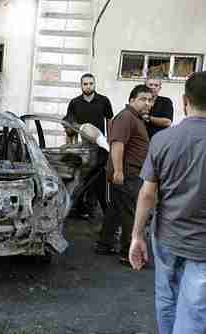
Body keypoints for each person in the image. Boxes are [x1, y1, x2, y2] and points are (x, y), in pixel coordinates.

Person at [129, 72, 206, 334]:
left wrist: (136, 236)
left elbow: (147, 195)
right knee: (196, 309)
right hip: (202, 245)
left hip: (166, 237)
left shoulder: (162, 140)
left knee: (166, 297)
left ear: (185, 101)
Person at [94, 85, 153, 265]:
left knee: (116, 210)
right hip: (127, 174)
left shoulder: (135, 118)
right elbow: (118, 144)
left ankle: (104, 244)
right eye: (143, 99)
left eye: (151, 100)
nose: (148, 104)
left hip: (130, 173)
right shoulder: (126, 117)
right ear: (132, 100)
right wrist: (119, 171)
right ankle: (129, 253)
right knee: (130, 213)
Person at [63, 73, 113, 217]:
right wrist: (69, 146)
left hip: (100, 146)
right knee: (81, 178)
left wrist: (109, 139)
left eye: (91, 83)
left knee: (98, 178)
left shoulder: (103, 101)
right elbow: (69, 125)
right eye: (85, 84)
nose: (88, 86)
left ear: (94, 84)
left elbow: (109, 120)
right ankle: (80, 208)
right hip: (83, 148)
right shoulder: (74, 103)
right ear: (81, 85)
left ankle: (95, 207)